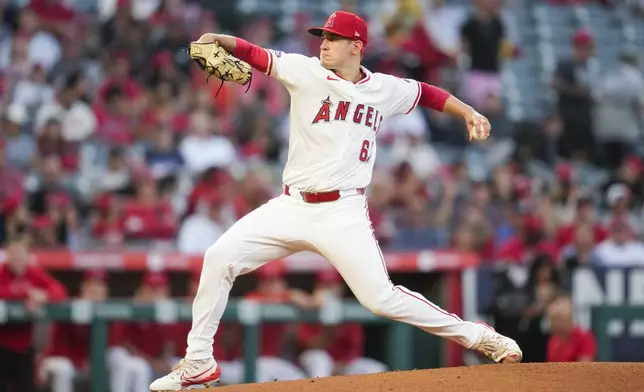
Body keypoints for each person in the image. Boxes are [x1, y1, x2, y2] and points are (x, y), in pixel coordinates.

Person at [150, 10, 522, 391]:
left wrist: (468, 111)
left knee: (381, 300)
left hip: (342, 212)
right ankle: (198, 361)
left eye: (333, 38)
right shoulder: (306, 71)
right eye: (322, 37)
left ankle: (477, 336)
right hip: (291, 206)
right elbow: (258, 54)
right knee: (218, 258)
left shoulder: (383, 88)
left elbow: (427, 93)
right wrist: (221, 39)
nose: (323, 43)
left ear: (356, 46)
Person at [0, 236, 67, 392]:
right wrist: (26, 294)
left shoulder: (34, 273)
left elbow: (59, 291)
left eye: (21, 257)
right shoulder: (2, 271)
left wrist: (44, 296)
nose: (18, 261)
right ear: (8, 257)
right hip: (1, 344)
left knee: (27, 386)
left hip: (24, 345)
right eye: (14, 257)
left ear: (27, 257)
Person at [545, 294, 596, 362]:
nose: (556, 323)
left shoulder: (584, 336)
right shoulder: (553, 341)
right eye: (553, 319)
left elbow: (585, 368)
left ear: (569, 317)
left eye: (560, 318)